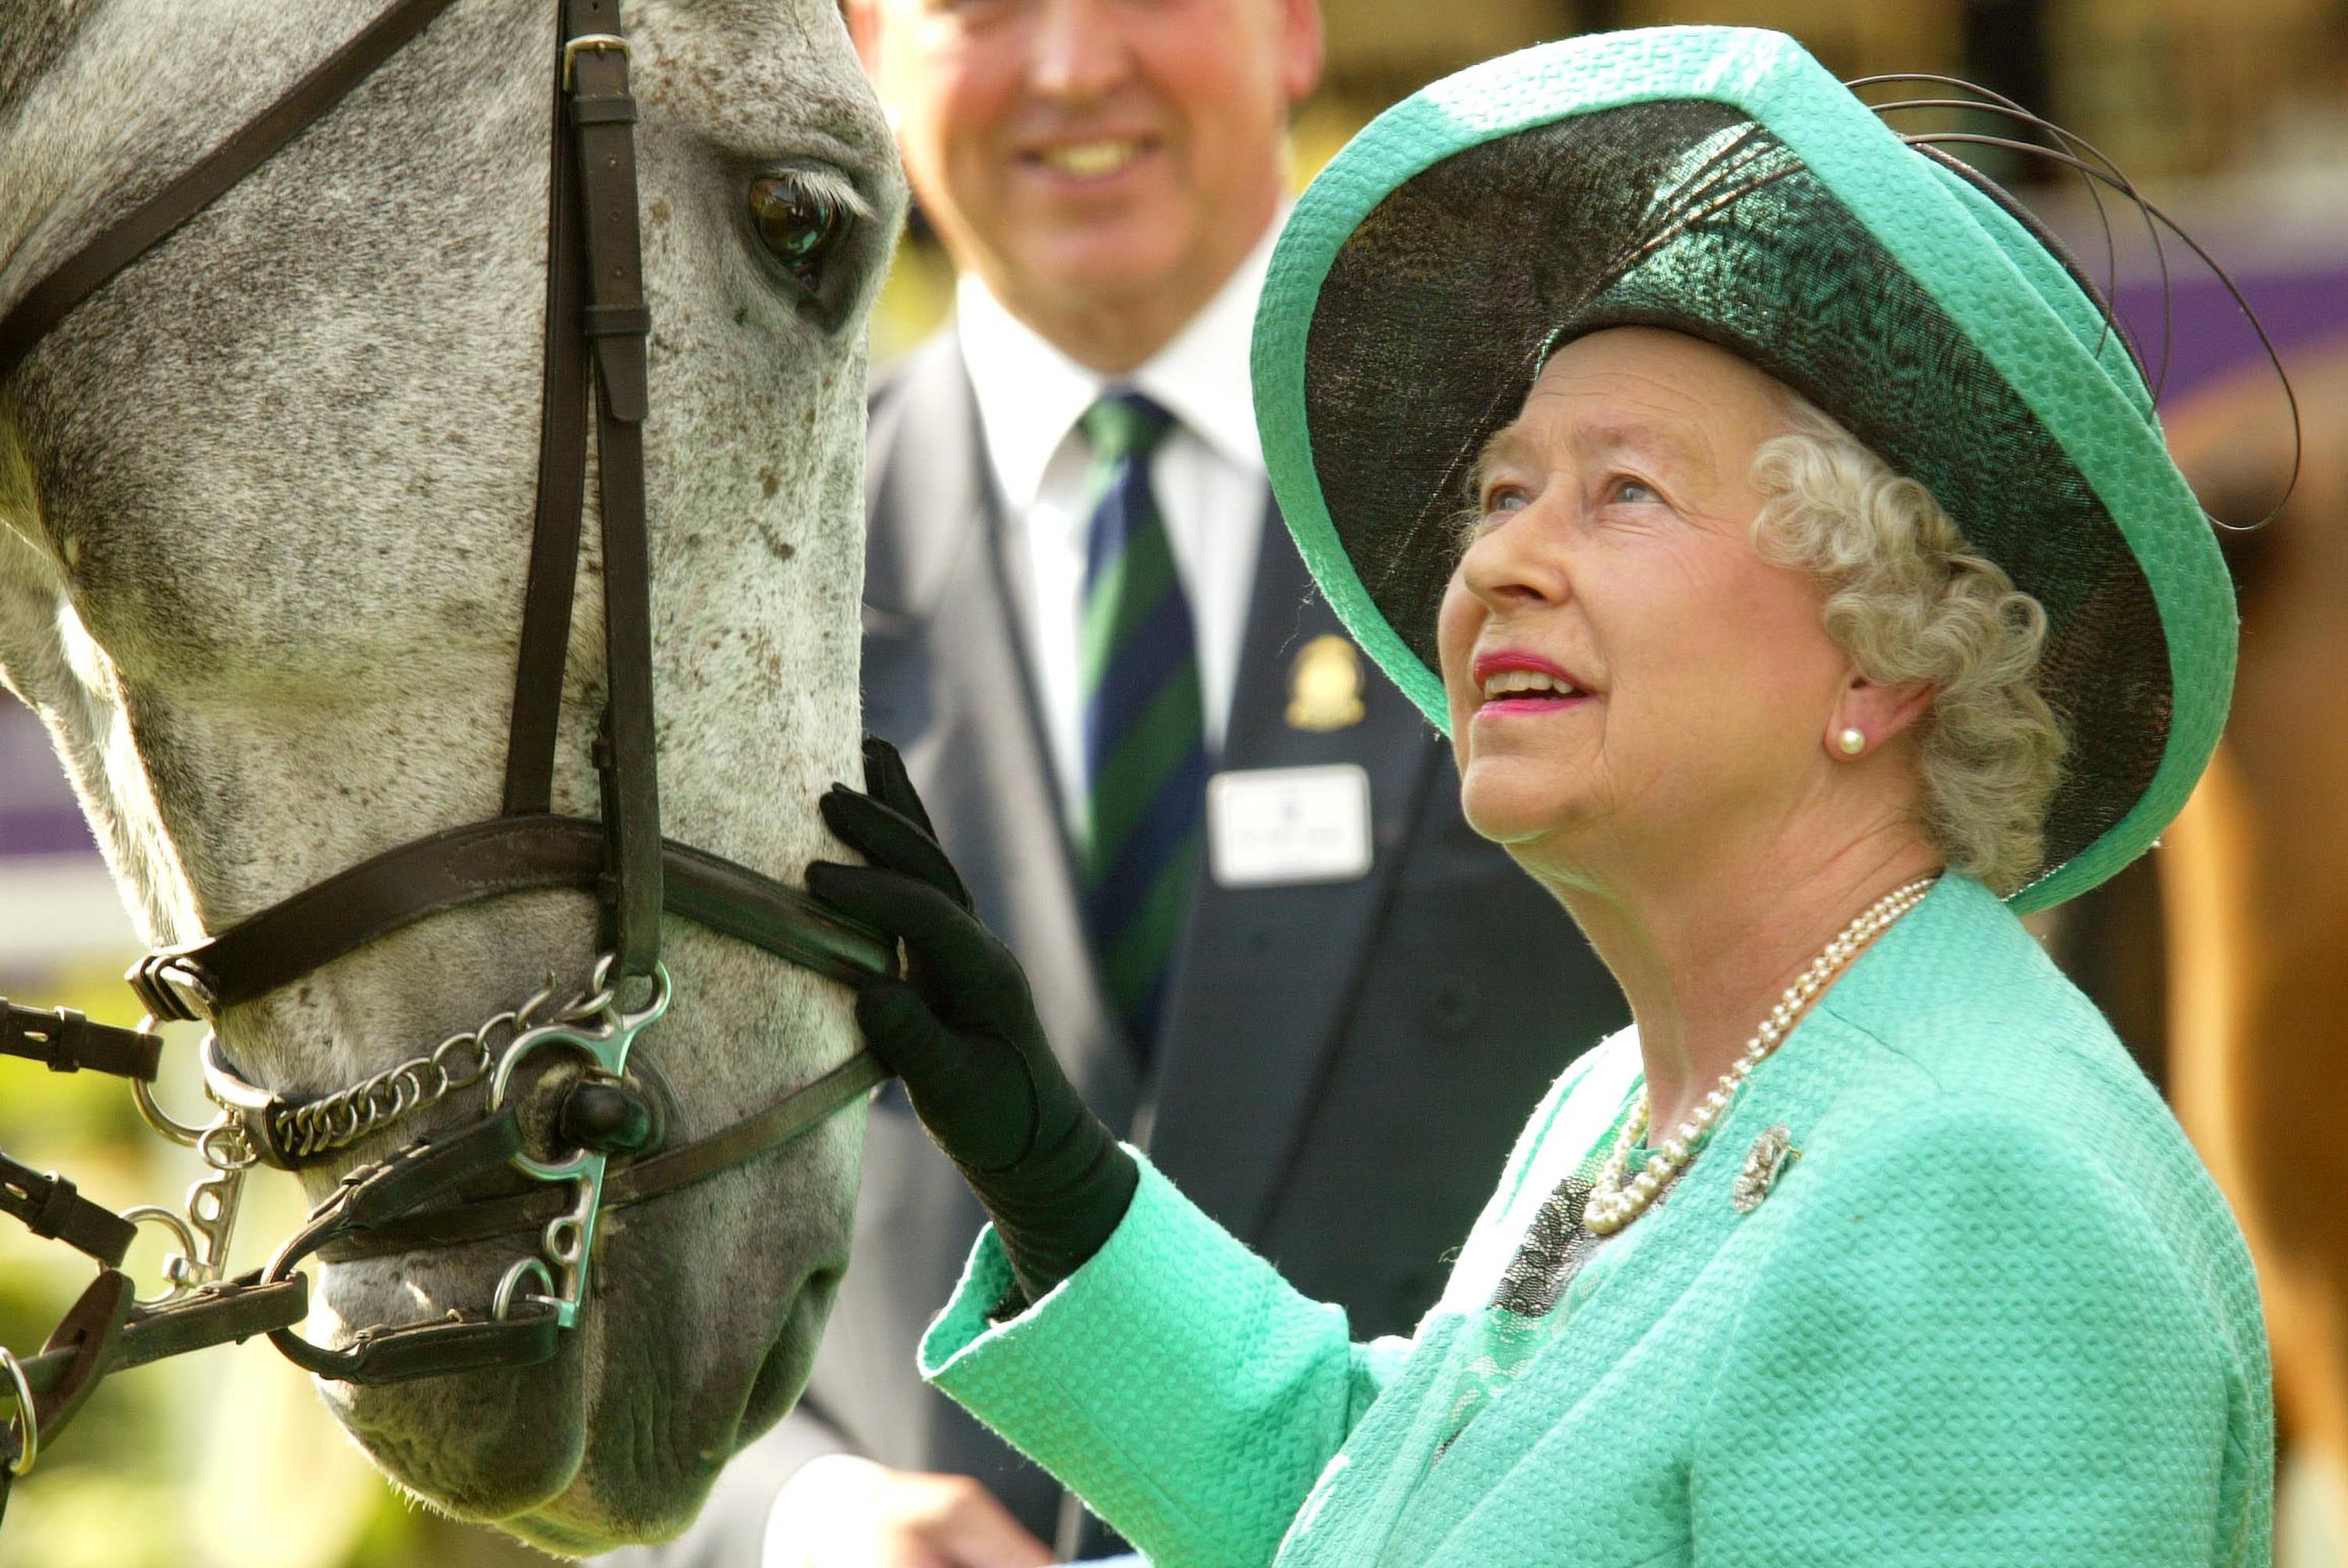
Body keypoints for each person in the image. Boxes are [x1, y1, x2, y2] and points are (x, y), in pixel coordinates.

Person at [801, 27, 2274, 1566]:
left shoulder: (1972, 1198)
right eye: (1504, 491)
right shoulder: (1628, 1104)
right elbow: (1391, 1515)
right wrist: (1062, 1189)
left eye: (1622, 491)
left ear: (1884, 657)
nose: (1497, 559)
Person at [617, 2, 1626, 1563]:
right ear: (869, 54)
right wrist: (798, 1520)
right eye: (985, 6)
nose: (1076, 65)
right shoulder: (716, 590)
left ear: (1292, 25)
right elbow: (601, 1220)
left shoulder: (1575, 523)